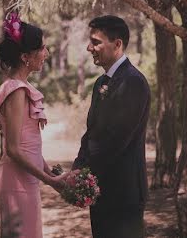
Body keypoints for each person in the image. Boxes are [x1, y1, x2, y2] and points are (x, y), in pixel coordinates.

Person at [69, 15, 150, 238]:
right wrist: (78, 167)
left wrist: (84, 172)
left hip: (124, 192)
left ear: (117, 44)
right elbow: (91, 133)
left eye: (96, 42)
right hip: (100, 190)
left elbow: (116, 141)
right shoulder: (100, 83)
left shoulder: (133, 81)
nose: (89, 47)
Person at [0, 12, 66, 238]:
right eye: (42, 48)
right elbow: (13, 149)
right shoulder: (16, 90)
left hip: (25, 179)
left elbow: (28, 143)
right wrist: (49, 180)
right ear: (25, 56)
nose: (46, 53)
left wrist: (47, 169)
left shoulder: (17, 87)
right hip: (16, 181)